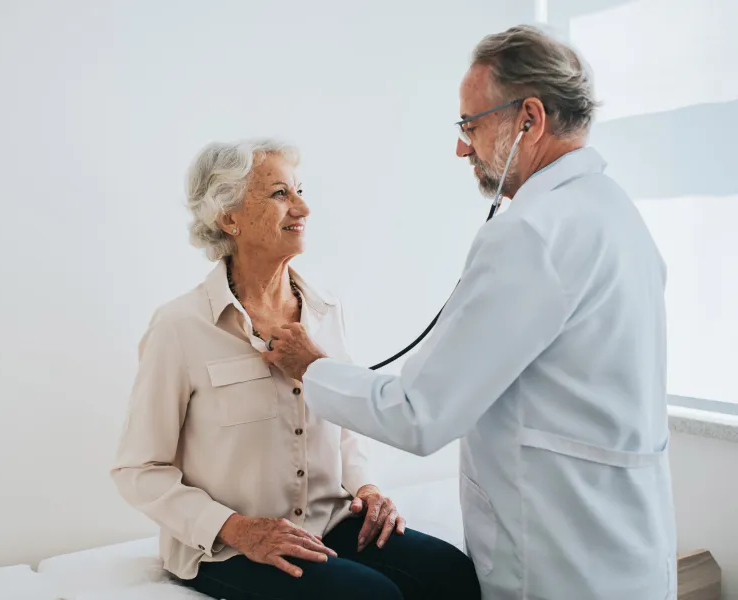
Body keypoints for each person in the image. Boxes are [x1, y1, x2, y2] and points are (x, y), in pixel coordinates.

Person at [263, 25, 677, 600]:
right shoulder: (615, 213)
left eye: (470, 125)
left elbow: (418, 414)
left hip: (558, 559)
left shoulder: (530, 234)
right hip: (626, 547)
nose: (462, 147)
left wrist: (312, 367)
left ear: (528, 118)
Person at [110, 139, 480, 600]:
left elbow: (344, 425)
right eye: (280, 194)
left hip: (331, 522)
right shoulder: (180, 327)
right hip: (230, 546)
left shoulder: (325, 311)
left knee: (451, 574)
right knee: (369, 597)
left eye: (299, 190)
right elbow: (138, 468)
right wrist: (236, 528)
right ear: (230, 218)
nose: (302, 206)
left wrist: (366, 488)